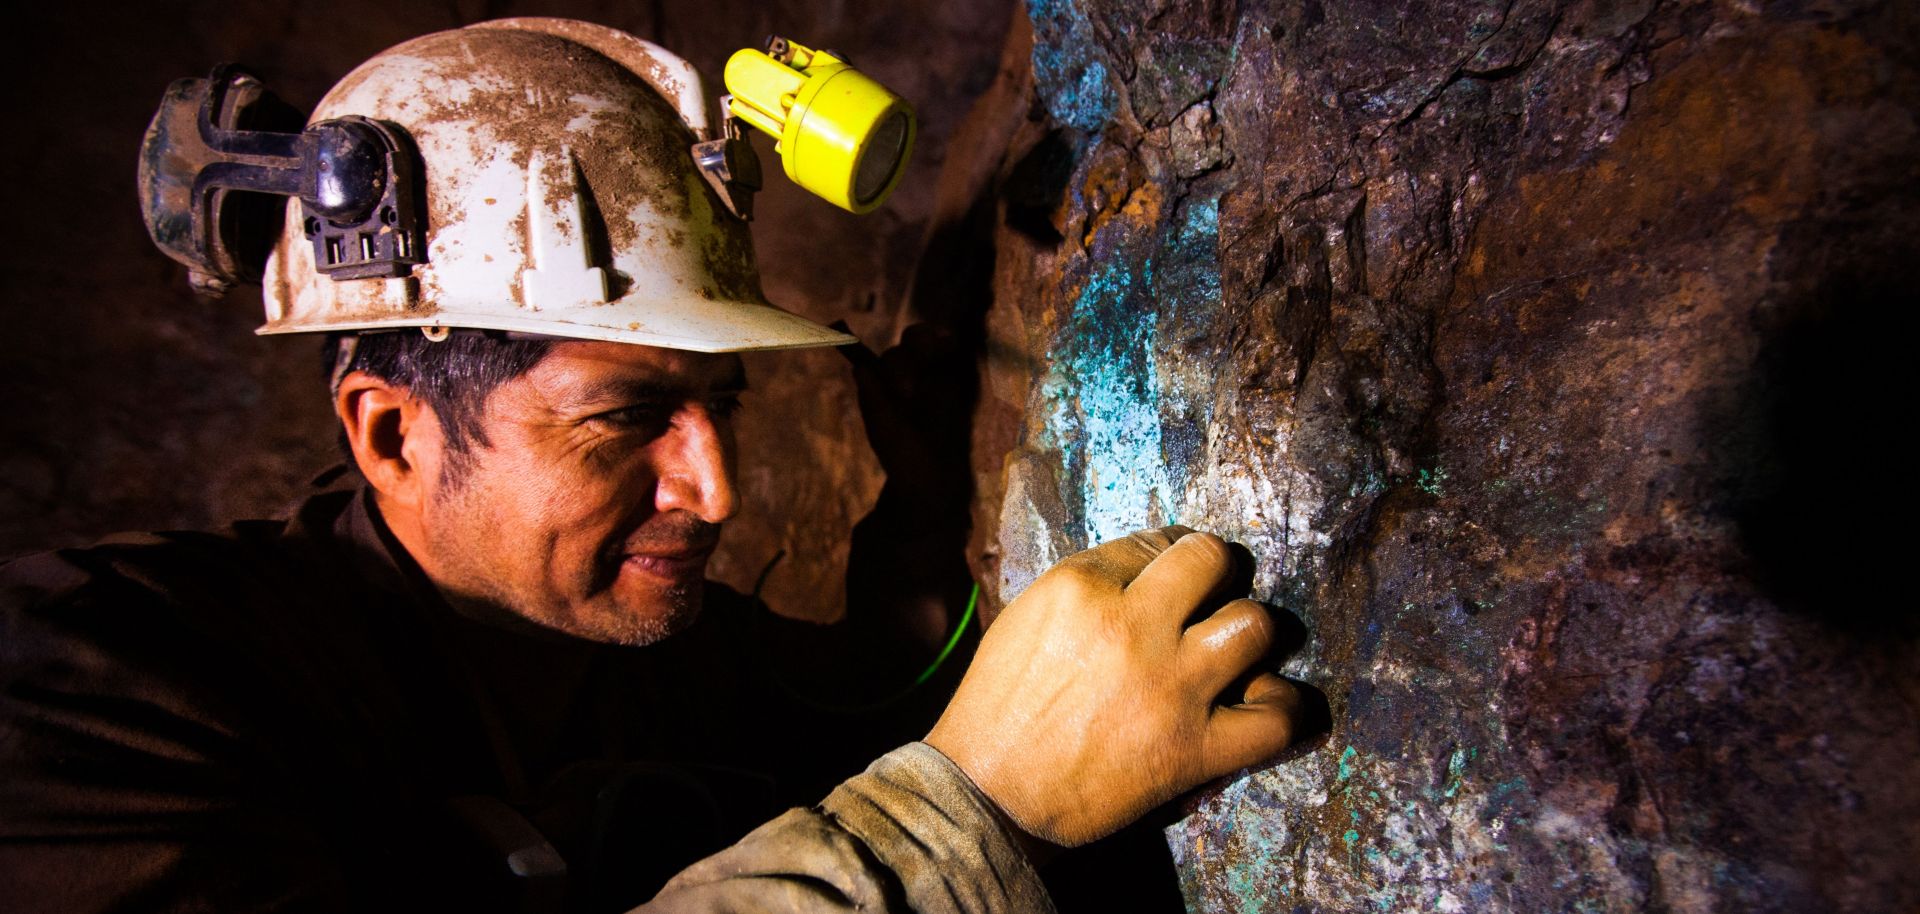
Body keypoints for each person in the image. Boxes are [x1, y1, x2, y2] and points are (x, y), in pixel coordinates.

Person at [0, 18, 1307, 913]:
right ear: (392, 431)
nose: (717, 490)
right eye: (624, 420)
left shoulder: (641, 652)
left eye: (716, 406)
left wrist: (918, 541)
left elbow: (843, 715)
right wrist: (965, 816)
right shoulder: (80, 705)